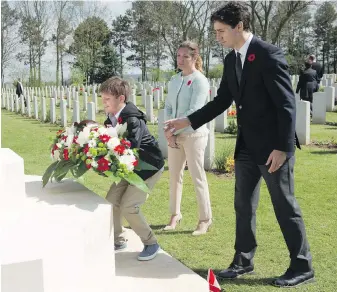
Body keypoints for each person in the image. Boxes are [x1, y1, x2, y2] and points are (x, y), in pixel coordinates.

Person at [164, 2, 314, 288]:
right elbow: (222, 101)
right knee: (243, 205)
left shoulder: (268, 55)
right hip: (246, 146)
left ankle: (302, 265)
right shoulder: (232, 59)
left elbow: (286, 104)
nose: (217, 36)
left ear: (239, 26)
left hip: (274, 149)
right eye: (215, 31)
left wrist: (283, 147)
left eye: (221, 31)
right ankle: (243, 260)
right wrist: (188, 121)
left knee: (285, 206)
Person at [100, 76, 165, 261]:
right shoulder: (112, 117)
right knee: (111, 202)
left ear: (121, 99)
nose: (104, 103)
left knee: (130, 206)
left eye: (107, 100)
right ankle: (119, 240)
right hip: (129, 166)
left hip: (148, 167)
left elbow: (130, 146)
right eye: (103, 99)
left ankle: (151, 243)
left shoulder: (132, 119)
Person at [163, 41, 212, 235]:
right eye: (178, 56)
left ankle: (205, 219)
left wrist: (172, 131)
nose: (181, 60)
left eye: (185, 56)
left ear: (194, 58)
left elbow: (195, 111)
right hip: (174, 134)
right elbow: (168, 106)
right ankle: (175, 214)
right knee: (174, 176)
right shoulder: (174, 80)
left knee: (197, 176)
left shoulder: (200, 81)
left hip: (193, 135)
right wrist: (169, 131)